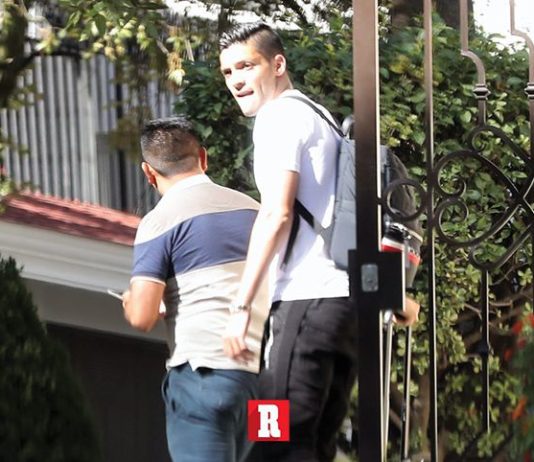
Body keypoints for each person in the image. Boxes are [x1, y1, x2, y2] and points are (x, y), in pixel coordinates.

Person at [219, 23, 420, 462]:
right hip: (345, 308)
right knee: (315, 444)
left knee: (274, 436)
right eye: (228, 72)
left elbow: (276, 213)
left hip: (305, 302)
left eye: (246, 66)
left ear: (278, 64)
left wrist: (241, 307)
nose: (236, 80)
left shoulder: (278, 118)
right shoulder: (320, 118)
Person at [122, 116, 269, 462]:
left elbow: (142, 317)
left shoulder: (160, 221)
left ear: (148, 172)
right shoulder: (257, 210)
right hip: (268, 383)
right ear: (203, 157)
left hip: (203, 377)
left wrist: (132, 302)